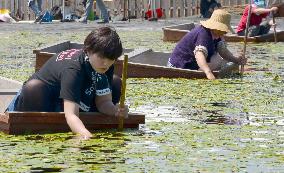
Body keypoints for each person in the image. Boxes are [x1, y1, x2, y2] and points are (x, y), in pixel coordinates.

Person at [7, 26, 128, 139]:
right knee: (34, 88)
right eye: (102, 57)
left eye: (111, 59)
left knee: (115, 82)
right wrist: (85, 134)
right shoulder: (74, 69)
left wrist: (115, 110)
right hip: (44, 100)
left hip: (73, 97)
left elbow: (103, 102)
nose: (106, 63)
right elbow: (71, 115)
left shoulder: (105, 65)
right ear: (89, 50)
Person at [167, 9, 247, 80]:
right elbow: (199, 54)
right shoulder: (204, 34)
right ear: (216, 27)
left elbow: (223, 51)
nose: (224, 32)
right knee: (218, 61)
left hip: (193, 63)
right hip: (181, 65)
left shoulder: (217, 34)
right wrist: (208, 72)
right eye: (223, 30)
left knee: (225, 61)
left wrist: (236, 60)